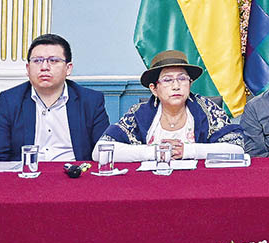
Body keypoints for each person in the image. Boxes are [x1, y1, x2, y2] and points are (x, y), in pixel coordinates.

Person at [0, 33, 110, 162]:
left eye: (53, 61)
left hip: (75, 176)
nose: (44, 67)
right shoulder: (10, 101)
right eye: (37, 61)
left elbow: (103, 153)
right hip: (26, 176)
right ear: (28, 68)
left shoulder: (90, 101)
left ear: (68, 68)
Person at [100, 50, 243, 161]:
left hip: (199, 184)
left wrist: (186, 151)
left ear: (190, 84)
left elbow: (237, 147)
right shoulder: (139, 113)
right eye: (167, 80)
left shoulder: (207, 109)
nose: (176, 86)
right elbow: (101, 151)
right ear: (154, 89)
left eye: (182, 78)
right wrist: (155, 152)